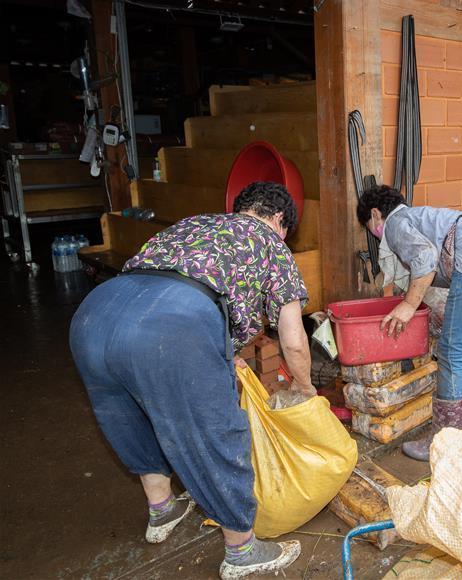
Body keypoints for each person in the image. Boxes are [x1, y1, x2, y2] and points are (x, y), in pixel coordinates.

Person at [70, 182, 314, 579]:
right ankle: (242, 551)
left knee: (130, 418)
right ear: (279, 219)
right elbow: (293, 339)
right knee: (215, 433)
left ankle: (162, 510)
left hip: (95, 314)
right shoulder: (270, 241)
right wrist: (304, 387)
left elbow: (179, 285)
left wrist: (219, 346)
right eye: (286, 230)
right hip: (172, 326)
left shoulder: (195, 223)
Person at [356, 186, 462, 461]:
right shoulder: (419, 216)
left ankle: (443, 442)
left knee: (451, 349)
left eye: (369, 226)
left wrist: (409, 305)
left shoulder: (396, 223)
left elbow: (425, 258)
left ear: (375, 214)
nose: (374, 233)